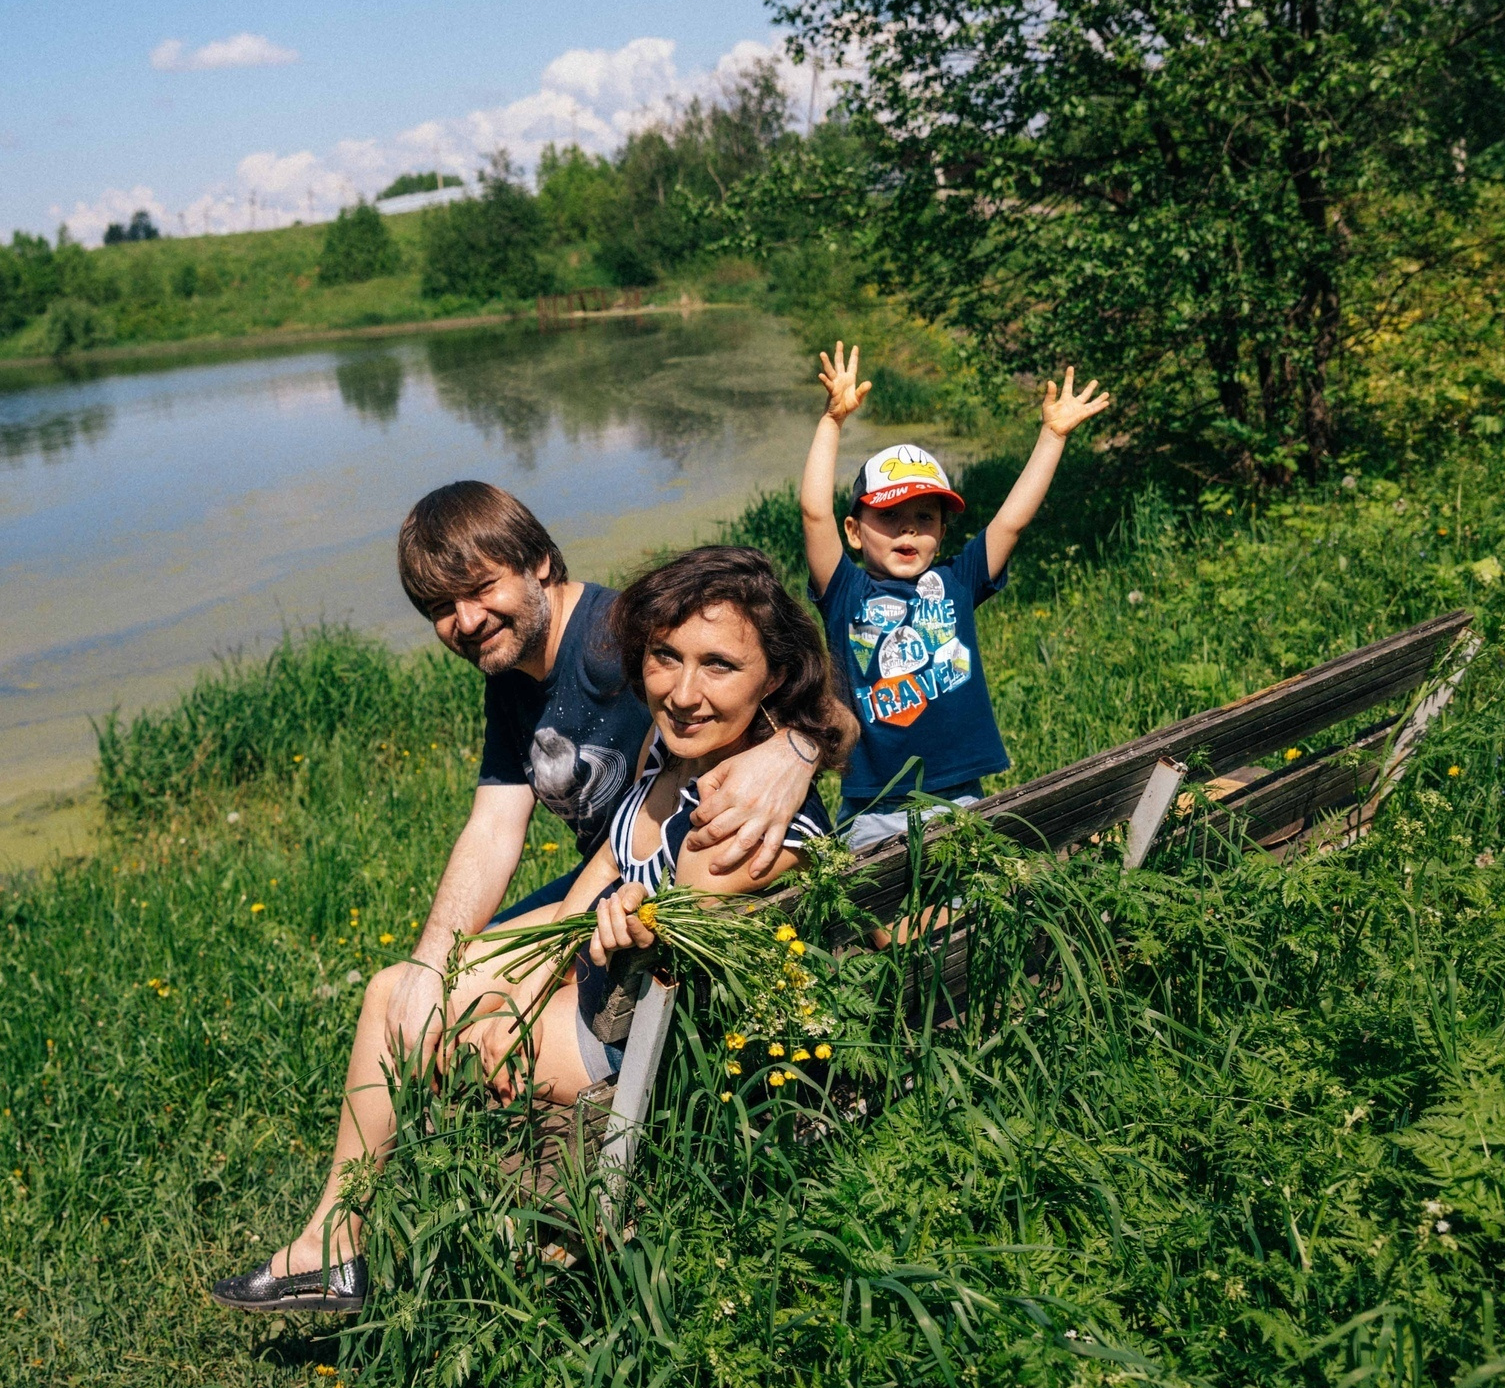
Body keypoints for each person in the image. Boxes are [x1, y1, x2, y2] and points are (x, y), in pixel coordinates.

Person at [209, 545, 851, 1314]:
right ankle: (339, 1244)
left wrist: (522, 1007)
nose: (683, 692)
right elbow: (585, 894)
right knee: (404, 991)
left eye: (718, 666)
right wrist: (505, 984)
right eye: (665, 658)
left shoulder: (737, 820)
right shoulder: (672, 756)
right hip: (620, 1005)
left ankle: (340, 1248)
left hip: (648, 1052)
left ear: (772, 678)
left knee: (412, 1019)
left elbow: (669, 999)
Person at [801, 344, 1111, 849]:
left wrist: (1052, 435)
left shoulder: (957, 580)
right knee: (875, 917)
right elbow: (815, 513)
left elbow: (1013, 519)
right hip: (873, 804)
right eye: (890, 516)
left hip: (959, 798)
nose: (909, 528)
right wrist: (833, 420)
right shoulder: (845, 591)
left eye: (926, 518)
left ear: (942, 534)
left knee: (960, 915)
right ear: (855, 532)